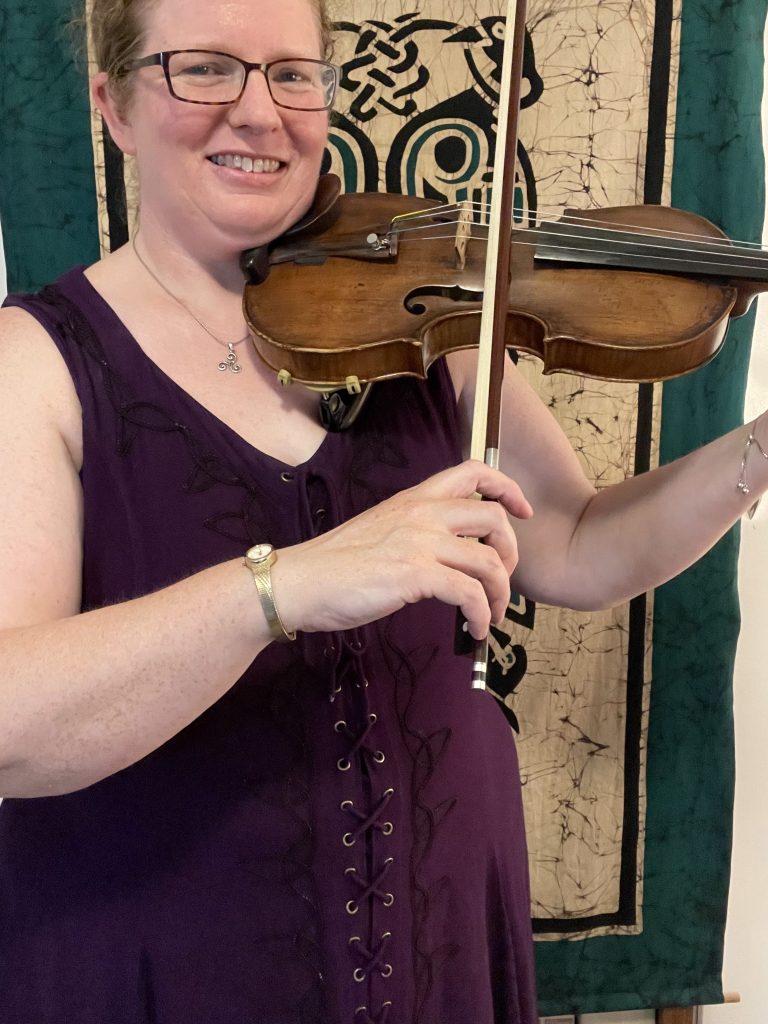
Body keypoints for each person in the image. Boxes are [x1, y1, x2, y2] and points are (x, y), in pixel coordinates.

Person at [0, 1, 765, 1021]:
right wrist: (288, 584)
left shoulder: (433, 312)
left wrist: (758, 452)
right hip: (168, 960)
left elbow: (578, 545)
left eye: (293, 74)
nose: (259, 112)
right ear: (114, 104)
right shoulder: (35, 365)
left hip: (438, 944)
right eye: (205, 72)